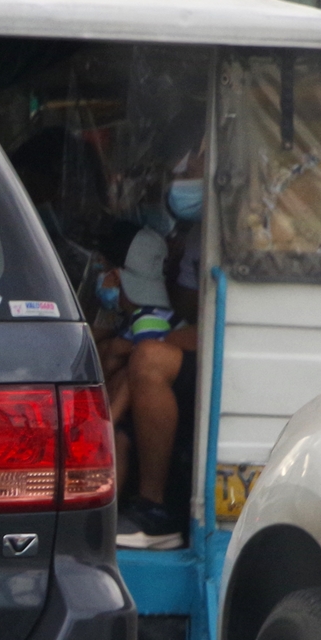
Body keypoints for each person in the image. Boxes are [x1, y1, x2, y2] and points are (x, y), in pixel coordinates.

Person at [94, 223, 189, 550]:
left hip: (146, 413)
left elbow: (133, 374)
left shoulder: (150, 319)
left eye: (103, 271)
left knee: (118, 440)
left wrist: (106, 420)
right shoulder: (135, 316)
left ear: (116, 277)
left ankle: (104, 515)